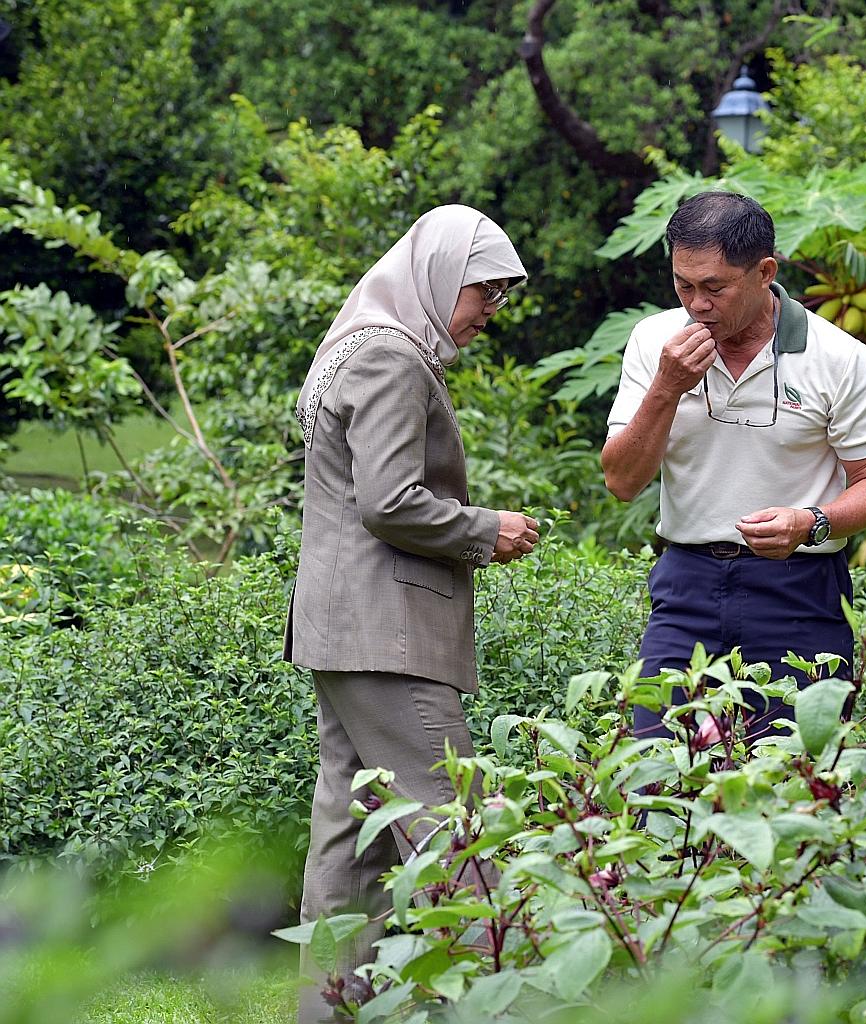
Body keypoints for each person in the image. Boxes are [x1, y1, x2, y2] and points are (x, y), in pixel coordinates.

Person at [284, 204, 541, 1023]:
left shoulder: (356, 343)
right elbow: (390, 501)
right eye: (483, 294)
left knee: (351, 841)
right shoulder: (393, 357)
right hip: (386, 634)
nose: (488, 315)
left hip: (344, 629)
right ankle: (492, 1001)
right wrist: (484, 530)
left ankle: (332, 1010)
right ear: (436, 277)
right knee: (451, 828)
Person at [602, 190, 866, 743]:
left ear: (765, 272)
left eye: (715, 287)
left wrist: (810, 523)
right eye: (683, 285)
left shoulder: (840, 358)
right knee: (655, 777)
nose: (697, 305)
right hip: (685, 584)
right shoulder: (653, 343)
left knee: (795, 783)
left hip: (800, 589)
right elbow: (621, 481)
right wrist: (667, 387)